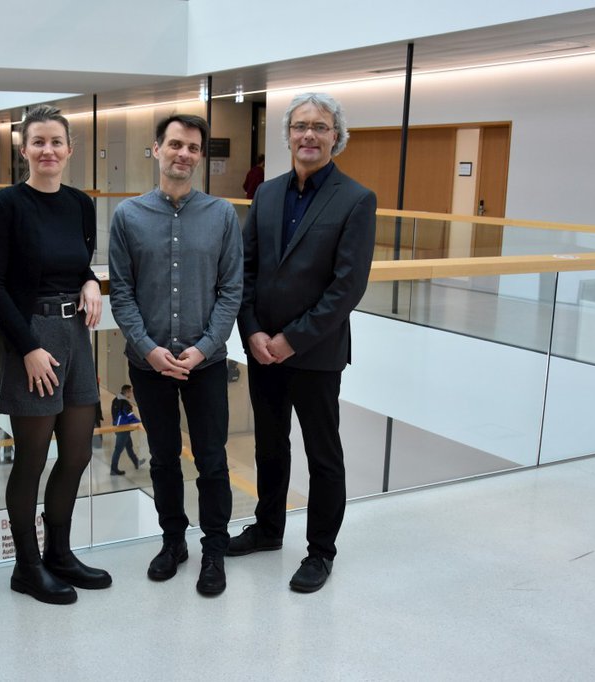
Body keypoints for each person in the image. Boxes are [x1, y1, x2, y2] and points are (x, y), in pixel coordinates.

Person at [228, 93, 376, 594]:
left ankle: (320, 551)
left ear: (337, 136)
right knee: (269, 447)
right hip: (262, 347)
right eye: (300, 126)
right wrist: (252, 331)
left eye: (320, 126)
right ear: (287, 134)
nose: (308, 135)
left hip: (315, 354)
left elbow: (347, 286)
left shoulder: (356, 200)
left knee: (323, 455)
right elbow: (245, 270)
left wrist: (292, 340)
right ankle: (269, 530)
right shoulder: (267, 195)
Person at [0, 105, 111, 606]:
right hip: (30, 334)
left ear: (70, 149)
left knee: (76, 454)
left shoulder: (80, 203)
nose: (48, 150)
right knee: (32, 459)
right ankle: (27, 566)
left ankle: (60, 554)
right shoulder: (8, 204)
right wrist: (27, 346)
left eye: (56, 142)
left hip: (76, 334)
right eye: (38, 142)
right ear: (23, 149)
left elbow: (81, 262)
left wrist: (92, 281)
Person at [109, 114, 243, 596]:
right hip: (149, 366)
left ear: (200, 156)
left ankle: (214, 549)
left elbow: (231, 291)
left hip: (206, 366)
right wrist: (149, 348)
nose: (182, 154)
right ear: (156, 149)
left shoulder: (223, 215)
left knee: (212, 460)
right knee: (164, 459)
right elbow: (121, 294)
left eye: (192, 147)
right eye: (174, 145)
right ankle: (173, 542)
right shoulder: (128, 216)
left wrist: (204, 347)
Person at [109, 384, 144, 475]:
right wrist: (141, 423)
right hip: (123, 429)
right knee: (118, 449)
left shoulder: (116, 399)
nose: (131, 393)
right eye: (131, 391)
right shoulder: (125, 403)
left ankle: (136, 462)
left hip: (118, 427)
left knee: (129, 446)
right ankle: (113, 469)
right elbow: (130, 416)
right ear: (127, 392)